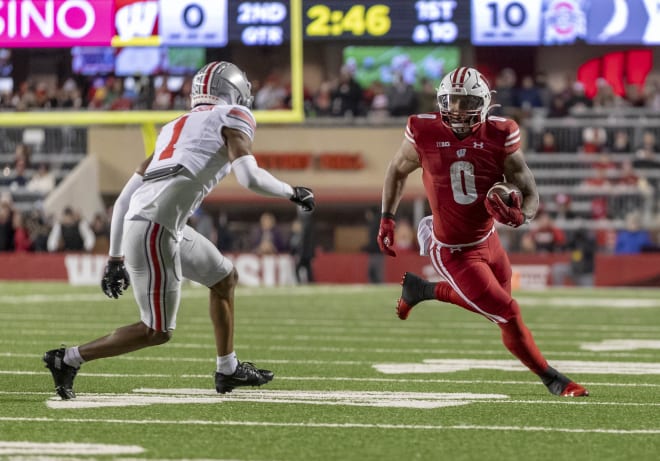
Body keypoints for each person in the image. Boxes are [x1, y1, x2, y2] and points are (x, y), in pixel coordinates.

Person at [43, 61, 316, 400]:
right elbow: (249, 177)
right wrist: (293, 192)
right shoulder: (233, 115)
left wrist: (115, 257)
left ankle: (227, 368)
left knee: (224, 278)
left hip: (155, 225)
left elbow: (126, 197)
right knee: (156, 331)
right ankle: (67, 359)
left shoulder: (174, 126)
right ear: (233, 92)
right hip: (155, 229)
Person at [377, 66, 589, 398]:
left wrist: (521, 217)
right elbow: (397, 169)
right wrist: (387, 217)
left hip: (488, 239)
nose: (458, 110)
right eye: (452, 101)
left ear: (485, 103)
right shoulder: (424, 131)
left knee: (497, 307)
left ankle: (422, 291)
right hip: (451, 248)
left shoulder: (501, 134)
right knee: (508, 313)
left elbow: (531, 195)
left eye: (466, 101)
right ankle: (552, 378)